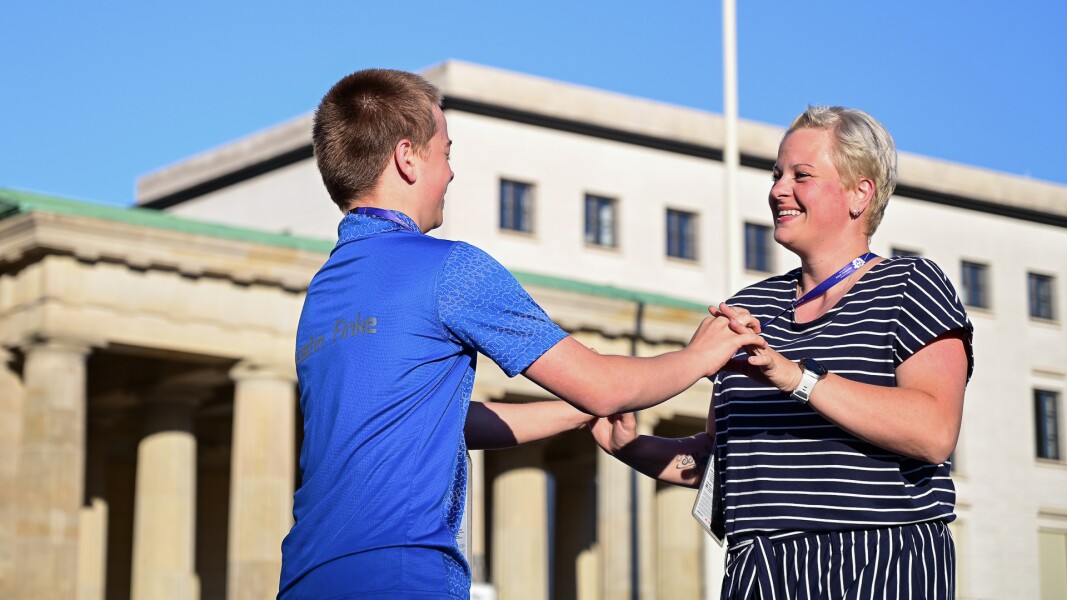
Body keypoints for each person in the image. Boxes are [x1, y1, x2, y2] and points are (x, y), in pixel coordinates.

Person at [278, 68, 765, 599]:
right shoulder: (450, 270)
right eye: (446, 152)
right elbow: (600, 383)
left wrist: (580, 412)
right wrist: (700, 355)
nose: (452, 173)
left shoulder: (324, 291)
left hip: (307, 573)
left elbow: (430, 420)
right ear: (407, 157)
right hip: (402, 574)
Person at [593, 106, 973, 598]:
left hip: (880, 556)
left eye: (801, 175)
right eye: (776, 175)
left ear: (861, 193)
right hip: (759, 566)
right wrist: (632, 448)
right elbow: (717, 461)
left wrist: (796, 377)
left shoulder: (910, 285)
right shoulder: (746, 309)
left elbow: (934, 431)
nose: (777, 190)